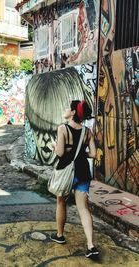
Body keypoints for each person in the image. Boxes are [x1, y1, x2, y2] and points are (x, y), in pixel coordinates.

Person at [50, 100, 99, 260]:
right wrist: (80, 153)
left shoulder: (63, 128)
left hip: (66, 172)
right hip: (83, 172)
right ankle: (91, 245)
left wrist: (54, 146)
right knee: (83, 208)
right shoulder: (87, 131)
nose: (64, 110)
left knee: (61, 202)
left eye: (67, 108)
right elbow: (92, 154)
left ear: (72, 112)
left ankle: (60, 235)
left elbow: (60, 153)